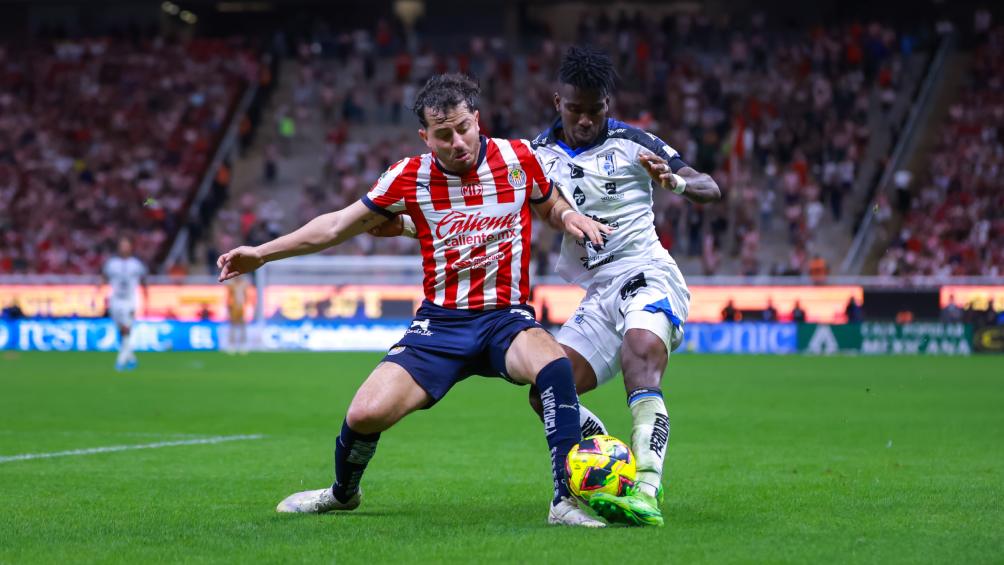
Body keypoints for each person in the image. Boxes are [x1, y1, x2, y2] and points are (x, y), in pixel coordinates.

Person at [217, 74, 611, 527]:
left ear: (477, 119)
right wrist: (262, 254)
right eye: (443, 135)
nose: (457, 142)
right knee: (365, 414)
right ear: (425, 137)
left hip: (506, 318)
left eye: (463, 128)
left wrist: (567, 214)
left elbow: (549, 204)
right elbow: (335, 226)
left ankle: (564, 501)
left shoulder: (518, 158)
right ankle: (343, 494)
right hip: (440, 325)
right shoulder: (409, 176)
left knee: (554, 365)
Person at [377, 47, 721, 526]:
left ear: (607, 104)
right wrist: (406, 225)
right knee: (547, 392)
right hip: (598, 293)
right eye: (575, 109)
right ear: (558, 102)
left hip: (647, 273)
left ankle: (646, 487)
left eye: (595, 109)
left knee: (640, 352)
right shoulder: (535, 156)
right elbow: (481, 207)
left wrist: (676, 183)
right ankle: (606, 459)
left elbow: (709, 186)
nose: (585, 119)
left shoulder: (634, 142)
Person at [101, 238, 148, 371]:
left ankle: (120, 361)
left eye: (126, 246)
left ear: (130, 248)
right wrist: (97, 290)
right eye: (122, 246)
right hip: (115, 299)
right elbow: (104, 277)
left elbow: (144, 279)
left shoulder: (136, 264)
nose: (124, 248)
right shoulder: (112, 264)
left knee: (126, 328)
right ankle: (131, 359)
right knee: (121, 329)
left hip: (130, 298)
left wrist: (146, 295)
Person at [226, 276, 250, 354]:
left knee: (242, 326)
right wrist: (229, 307)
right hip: (233, 307)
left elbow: (246, 295)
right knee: (233, 326)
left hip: (241, 307)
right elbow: (229, 296)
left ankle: (243, 344)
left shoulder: (243, 284)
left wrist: (246, 306)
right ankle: (232, 344)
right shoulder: (231, 284)